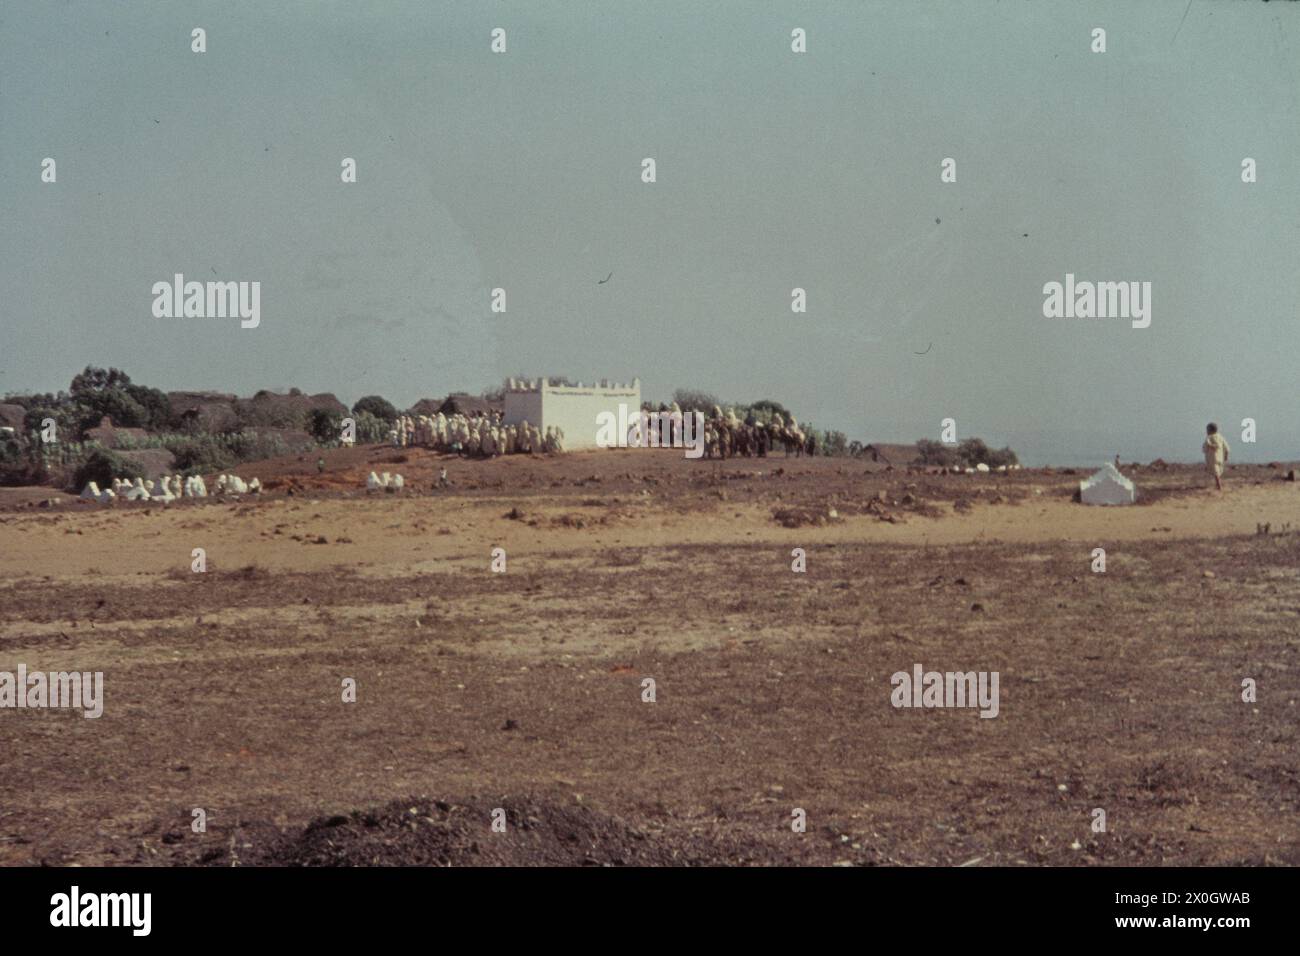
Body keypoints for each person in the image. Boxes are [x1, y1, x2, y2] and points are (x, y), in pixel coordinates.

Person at [1202, 423, 1230, 491]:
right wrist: (1226, 456)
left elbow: (1205, 448)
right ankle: (1217, 485)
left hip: (1212, 458)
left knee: (1216, 472)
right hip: (1220, 457)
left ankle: (1219, 486)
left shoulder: (1209, 438)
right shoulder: (1220, 437)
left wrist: (1208, 447)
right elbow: (1227, 448)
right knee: (1218, 472)